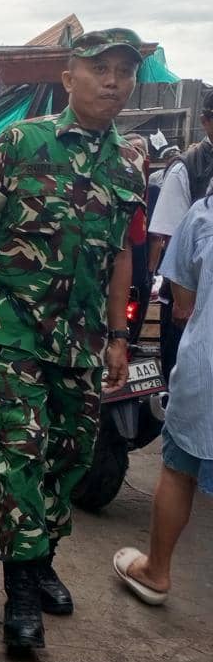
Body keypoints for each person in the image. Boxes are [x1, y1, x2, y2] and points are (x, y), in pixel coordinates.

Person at [0, 28, 145, 651]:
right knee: (21, 455)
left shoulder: (128, 165)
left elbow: (120, 256)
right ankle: (21, 594)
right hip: (16, 333)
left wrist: (120, 335)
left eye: (124, 70)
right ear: (69, 77)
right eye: (101, 68)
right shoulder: (21, 141)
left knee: (71, 455)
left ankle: (43, 559)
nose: (114, 81)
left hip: (83, 342)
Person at [114, 194, 213, 606]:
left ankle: (156, 571)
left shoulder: (205, 211)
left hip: (205, 371)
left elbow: (183, 304)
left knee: (178, 471)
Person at [148, 93, 213, 380]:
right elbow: (173, 240)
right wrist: (183, 304)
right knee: (188, 380)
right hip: (191, 301)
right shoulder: (186, 169)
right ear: (206, 122)